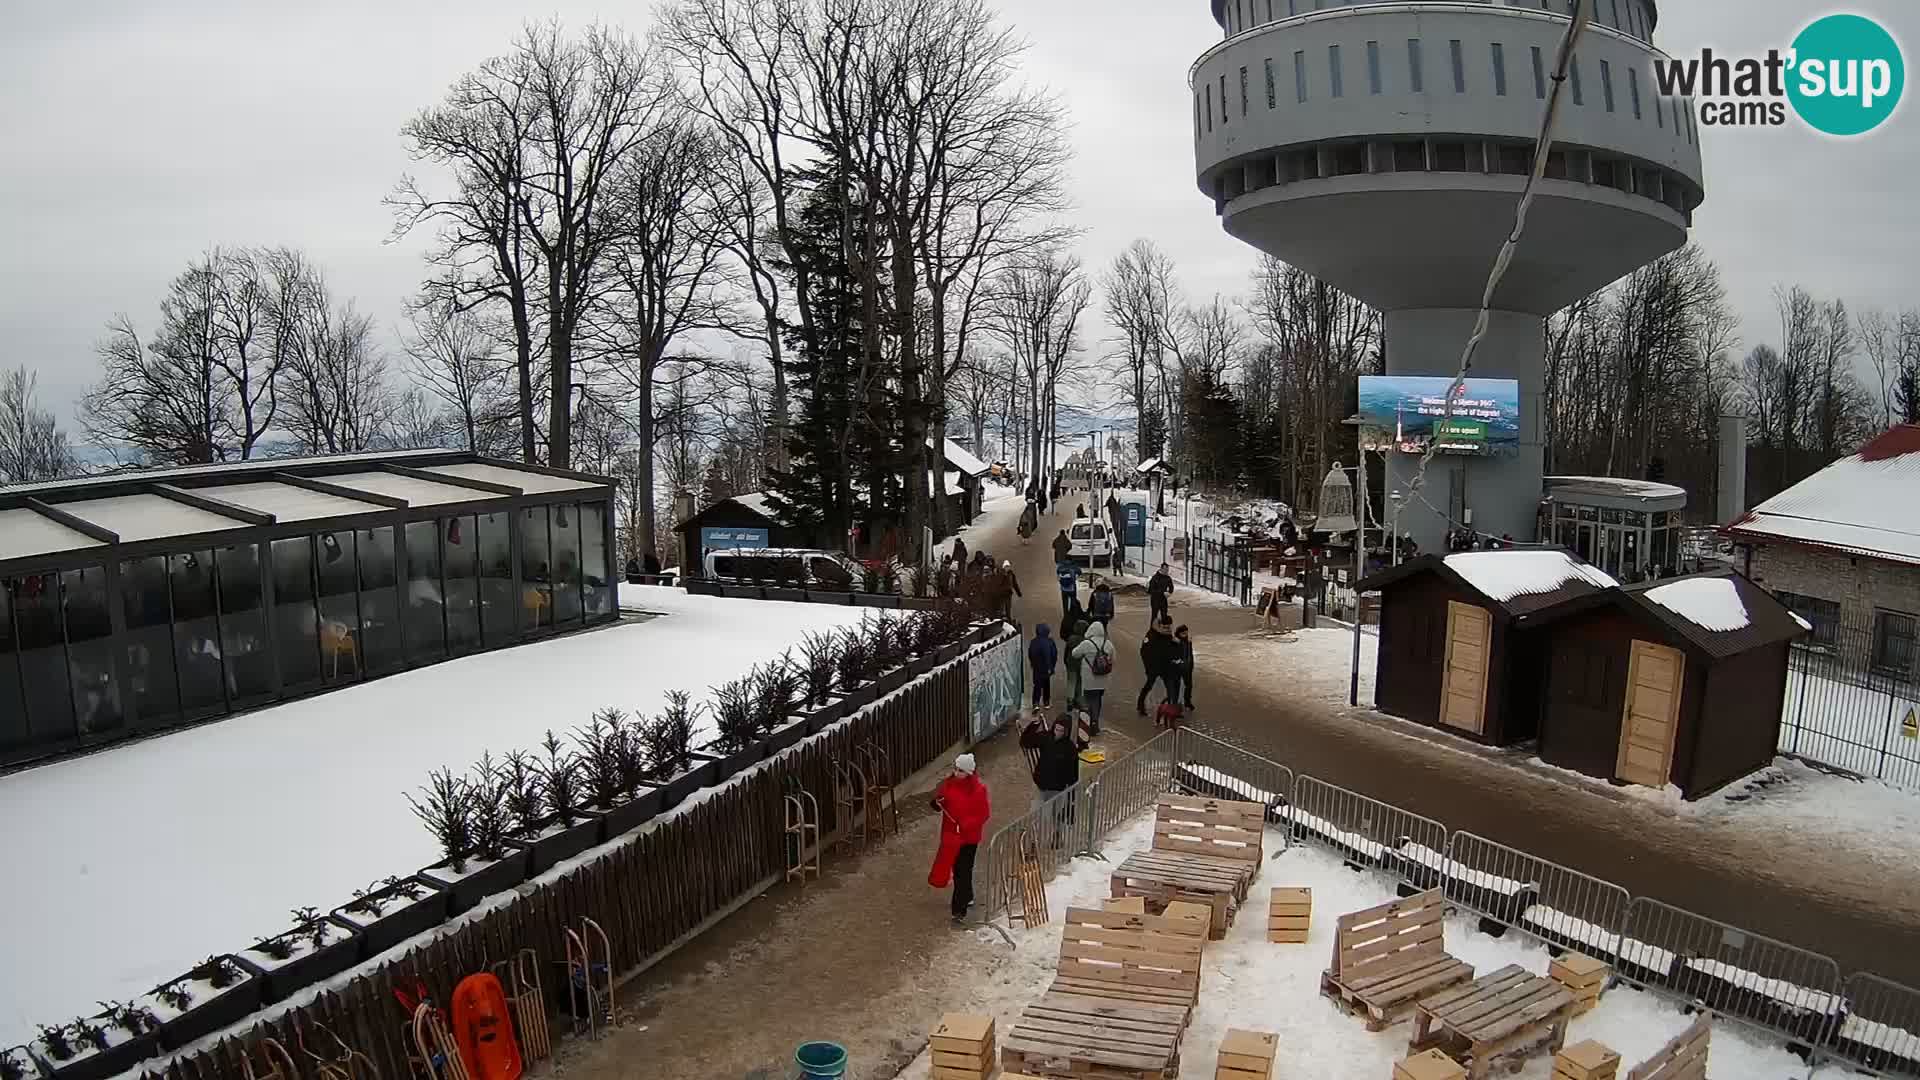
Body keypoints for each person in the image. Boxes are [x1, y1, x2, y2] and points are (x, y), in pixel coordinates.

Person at [928, 754, 990, 925]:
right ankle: (967, 896)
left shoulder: (978, 790)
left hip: (968, 838)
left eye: (960, 770)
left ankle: (959, 908)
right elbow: (941, 800)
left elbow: (983, 814)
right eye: (955, 769)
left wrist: (965, 824)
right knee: (959, 869)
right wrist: (937, 803)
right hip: (951, 835)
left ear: (969, 772)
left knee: (962, 871)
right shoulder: (949, 784)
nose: (956, 772)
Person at [1020, 712, 1089, 844]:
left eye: (1061, 730)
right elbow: (1025, 742)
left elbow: (1073, 775)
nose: (1057, 732)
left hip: (1058, 790)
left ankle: (1057, 836)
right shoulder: (1047, 737)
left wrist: (1071, 800)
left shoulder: (1070, 749)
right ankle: (1033, 842)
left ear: (1066, 731)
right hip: (1041, 786)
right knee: (1036, 815)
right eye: (1056, 729)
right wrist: (1033, 725)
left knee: (1058, 815)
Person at [1071, 619, 1113, 734]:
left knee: (1088, 701)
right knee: (1098, 700)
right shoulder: (1108, 643)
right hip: (1103, 680)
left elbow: (1074, 653)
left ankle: (1088, 725)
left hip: (1089, 680)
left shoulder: (1087, 643)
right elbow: (1114, 659)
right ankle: (1095, 722)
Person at [1136, 615, 1181, 716]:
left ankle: (1172, 709)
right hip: (1154, 667)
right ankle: (1140, 705)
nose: (1168, 630)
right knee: (1149, 685)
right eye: (1165, 627)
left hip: (1166, 667)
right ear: (1160, 626)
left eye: (1169, 627)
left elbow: (1170, 649)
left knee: (1170, 688)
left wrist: (1177, 645)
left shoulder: (1169, 635)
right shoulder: (1151, 636)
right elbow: (1144, 652)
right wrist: (1148, 667)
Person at [1027, 622, 1058, 711]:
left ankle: (1035, 702)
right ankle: (1046, 702)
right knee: (1046, 685)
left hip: (1037, 668)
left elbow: (1030, 654)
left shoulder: (1034, 642)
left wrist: (1033, 664)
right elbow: (1054, 654)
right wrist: (1052, 666)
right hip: (1047, 668)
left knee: (1037, 685)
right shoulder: (1050, 642)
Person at [1062, 619, 1088, 711]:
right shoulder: (1085, 640)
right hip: (1081, 664)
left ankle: (1070, 700)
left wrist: (1065, 660)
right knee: (1080, 682)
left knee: (1071, 681)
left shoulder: (1071, 638)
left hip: (1071, 663)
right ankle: (1078, 699)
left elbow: (1066, 652)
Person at [1174, 623, 1196, 711]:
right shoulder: (1175, 642)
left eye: (1186, 633)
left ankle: (1187, 702)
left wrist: (1191, 665)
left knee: (1189, 686)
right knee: (1176, 686)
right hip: (1178, 668)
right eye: (1183, 633)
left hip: (1188, 667)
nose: (1185, 635)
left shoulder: (1188, 642)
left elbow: (1190, 655)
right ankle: (1174, 703)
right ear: (1179, 633)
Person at [1055, 557, 1080, 623]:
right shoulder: (1074, 566)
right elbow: (1079, 572)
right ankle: (1074, 615)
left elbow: (1057, 573)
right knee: (1073, 601)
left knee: (1064, 602)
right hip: (1072, 588)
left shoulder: (1060, 566)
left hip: (1063, 588)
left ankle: (1066, 616)